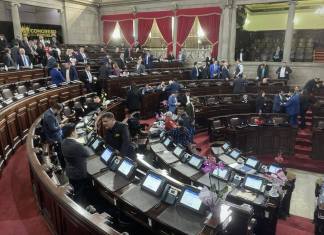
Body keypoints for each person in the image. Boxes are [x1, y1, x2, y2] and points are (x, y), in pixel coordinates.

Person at [61, 123, 92, 207]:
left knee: (76, 190)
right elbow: (88, 153)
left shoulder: (63, 142)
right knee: (79, 193)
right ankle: (80, 208)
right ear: (72, 133)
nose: (77, 132)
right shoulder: (76, 145)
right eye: (75, 130)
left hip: (70, 172)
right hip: (78, 173)